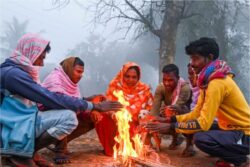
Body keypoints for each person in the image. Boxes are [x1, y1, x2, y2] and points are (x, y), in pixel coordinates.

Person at [0, 34, 123, 167]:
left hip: (26, 119)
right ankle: (19, 154)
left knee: (73, 115)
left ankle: (29, 151)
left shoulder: (21, 72)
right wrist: (94, 106)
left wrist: (89, 102)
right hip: (13, 126)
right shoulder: (13, 75)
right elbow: (51, 98)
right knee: (69, 115)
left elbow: (65, 99)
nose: (42, 63)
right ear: (30, 52)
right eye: (41, 57)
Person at [146, 37, 250, 167]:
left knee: (201, 139)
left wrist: (172, 127)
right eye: (191, 59)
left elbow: (204, 123)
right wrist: (170, 120)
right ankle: (229, 156)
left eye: (195, 59)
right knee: (193, 127)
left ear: (209, 57)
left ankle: (240, 159)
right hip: (229, 128)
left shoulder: (217, 83)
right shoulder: (208, 81)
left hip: (244, 133)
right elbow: (196, 113)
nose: (192, 63)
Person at [39, 56, 104, 164]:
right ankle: (60, 150)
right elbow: (62, 104)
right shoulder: (55, 79)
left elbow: (74, 101)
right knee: (68, 113)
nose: (80, 76)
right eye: (78, 71)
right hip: (44, 118)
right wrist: (90, 105)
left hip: (62, 115)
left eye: (82, 72)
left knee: (92, 118)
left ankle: (57, 141)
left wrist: (91, 106)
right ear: (69, 68)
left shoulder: (70, 82)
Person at [95, 62, 154, 156]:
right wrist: (115, 115)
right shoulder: (114, 86)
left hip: (136, 126)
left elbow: (150, 110)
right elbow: (108, 106)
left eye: (134, 77)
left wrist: (142, 120)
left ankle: (136, 145)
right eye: (127, 76)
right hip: (116, 123)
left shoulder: (144, 89)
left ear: (138, 77)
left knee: (149, 121)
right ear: (122, 75)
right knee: (101, 116)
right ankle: (111, 149)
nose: (130, 80)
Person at [150, 64, 195, 156]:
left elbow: (177, 107)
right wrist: (151, 121)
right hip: (170, 115)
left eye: (170, 80)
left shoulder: (185, 88)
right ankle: (176, 138)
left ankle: (190, 144)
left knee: (180, 111)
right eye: (165, 80)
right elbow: (154, 109)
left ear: (177, 78)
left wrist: (166, 111)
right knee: (148, 116)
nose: (167, 83)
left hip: (186, 116)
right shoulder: (160, 88)